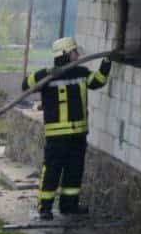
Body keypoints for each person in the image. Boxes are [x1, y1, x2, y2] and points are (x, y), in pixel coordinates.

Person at [22, 36, 111, 220]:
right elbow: (26, 85)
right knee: (52, 170)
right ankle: (44, 207)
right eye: (74, 52)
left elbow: (98, 81)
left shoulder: (81, 73)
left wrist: (106, 63)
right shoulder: (47, 75)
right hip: (57, 136)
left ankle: (69, 205)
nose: (77, 55)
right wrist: (47, 72)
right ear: (66, 54)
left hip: (78, 134)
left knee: (74, 170)